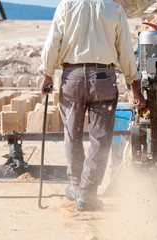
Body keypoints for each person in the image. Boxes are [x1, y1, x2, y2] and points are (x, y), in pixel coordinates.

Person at [39, 0, 144, 211]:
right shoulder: (113, 8)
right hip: (103, 78)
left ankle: (77, 187)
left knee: (72, 134)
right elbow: (125, 49)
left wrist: (47, 73)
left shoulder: (67, 5)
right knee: (101, 138)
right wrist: (135, 86)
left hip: (72, 78)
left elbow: (53, 41)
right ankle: (87, 193)